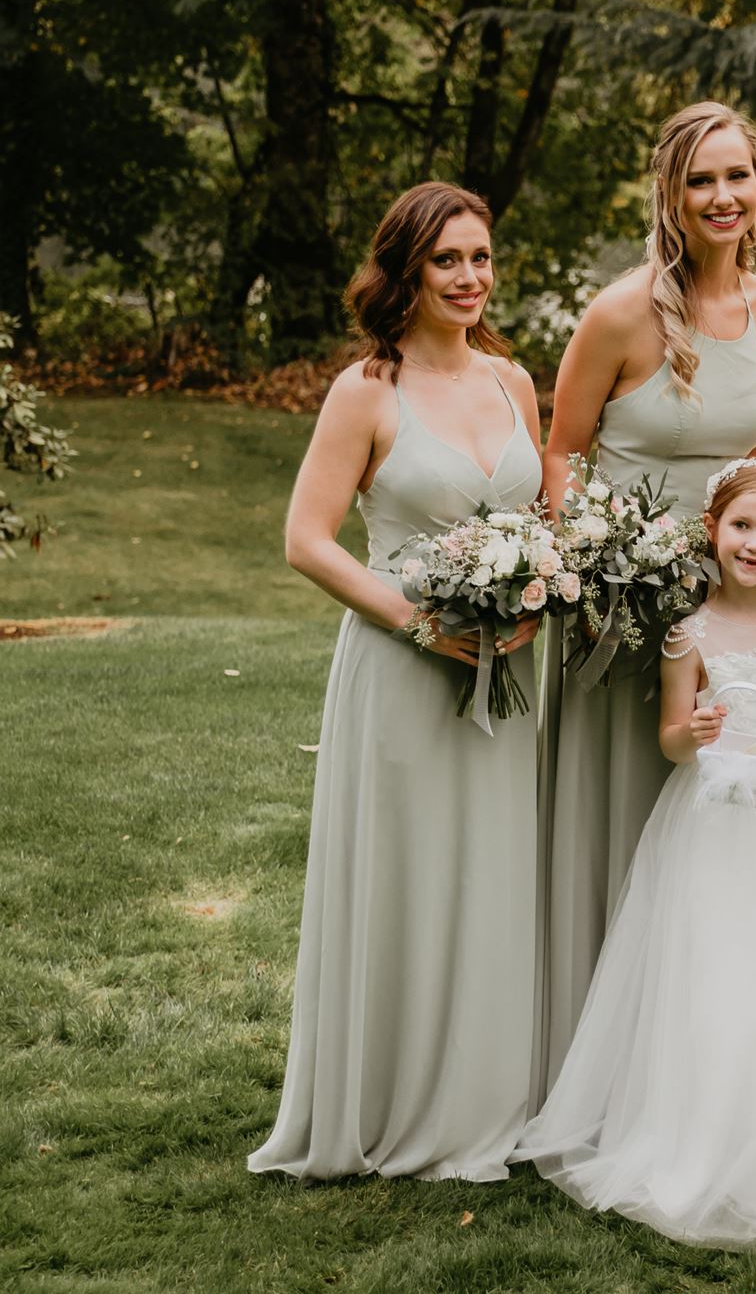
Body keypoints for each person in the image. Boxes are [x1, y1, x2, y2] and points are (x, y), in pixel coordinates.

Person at [250, 182, 546, 1181]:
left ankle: (485, 1098)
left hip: (506, 671)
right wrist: (418, 623)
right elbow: (305, 540)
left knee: (492, 874)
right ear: (405, 273)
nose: (470, 277)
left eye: (481, 257)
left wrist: (540, 590)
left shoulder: (512, 383)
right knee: (409, 875)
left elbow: (537, 522)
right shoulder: (364, 390)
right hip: (400, 665)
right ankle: (384, 1100)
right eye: (447, 261)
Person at [522, 460, 756, 1250]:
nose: (754, 544)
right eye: (741, 527)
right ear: (713, 531)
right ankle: (714, 1131)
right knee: (725, 965)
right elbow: (670, 735)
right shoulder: (687, 631)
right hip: (719, 815)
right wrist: (688, 737)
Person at [539, 103, 756, 1088]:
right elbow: (560, 451)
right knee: (621, 819)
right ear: (670, 195)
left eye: (737, 176)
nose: (722, 198)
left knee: (715, 835)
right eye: (701, 180)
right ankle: (589, 1063)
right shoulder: (619, 314)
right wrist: (599, 558)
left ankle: (700, 1067)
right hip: (621, 610)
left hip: (728, 610)